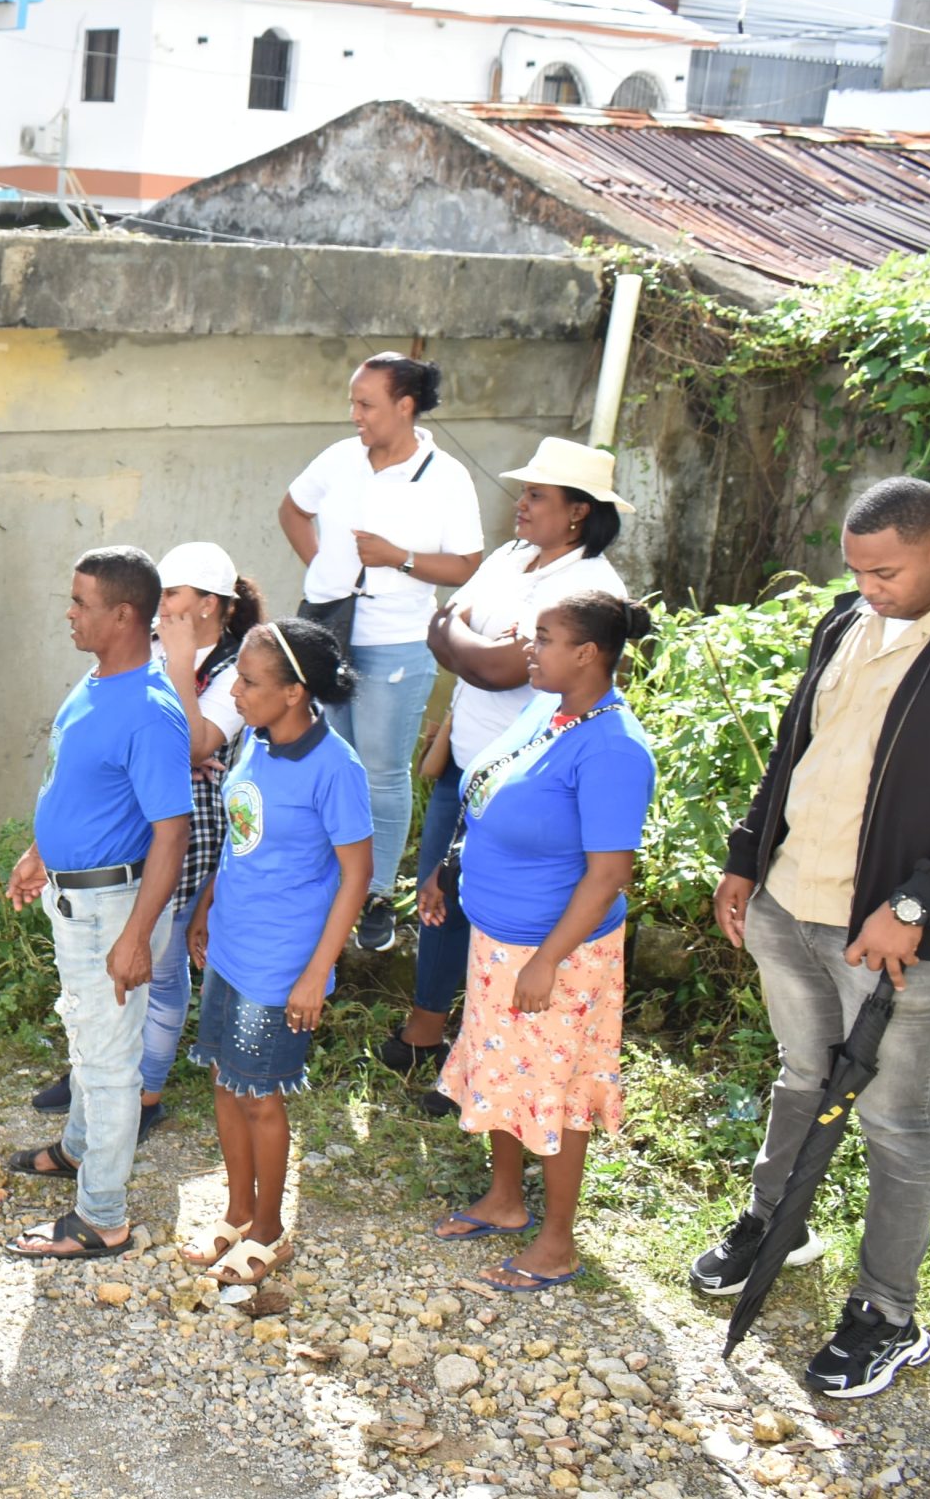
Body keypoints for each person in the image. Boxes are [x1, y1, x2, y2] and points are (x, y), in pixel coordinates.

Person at [697, 478, 930, 1399]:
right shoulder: (845, 620)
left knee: (898, 1121)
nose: (867, 587)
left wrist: (915, 905)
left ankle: (886, 1315)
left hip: (903, 935)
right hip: (792, 904)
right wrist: (749, 853)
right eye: (857, 570)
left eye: (886, 572)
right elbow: (798, 745)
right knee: (799, 1076)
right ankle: (780, 1223)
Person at [422, 592, 658, 1294]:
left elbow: (611, 873)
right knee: (501, 1070)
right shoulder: (545, 709)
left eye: (546, 638)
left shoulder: (614, 747)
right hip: (499, 942)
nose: (530, 647)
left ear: (588, 653)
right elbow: (486, 790)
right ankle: (505, 1198)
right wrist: (446, 869)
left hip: (560, 955)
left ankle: (557, 1242)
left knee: (555, 1091)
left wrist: (548, 957)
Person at [388, 438, 631, 1101]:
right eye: (524, 492)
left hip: (530, 782)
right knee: (440, 895)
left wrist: (466, 643)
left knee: (497, 912)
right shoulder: (510, 557)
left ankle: (479, 1053)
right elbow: (445, 626)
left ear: (579, 512)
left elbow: (495, 669)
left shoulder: (588, 587)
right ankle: (426, 1033)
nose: (520, 504)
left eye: (537, 496)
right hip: (469, 763)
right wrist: (466, 642)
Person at [31, 543, 264, 1133]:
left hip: (185, 823)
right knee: (117, 962)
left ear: (210, 605)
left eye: (175, 595)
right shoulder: (150, 650)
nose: (161, 605)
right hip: (127, 814)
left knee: (158, 958)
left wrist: (183, 665)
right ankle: (101, 1071)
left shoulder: (234, 664)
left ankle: (144, 1089)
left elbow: (194, 746)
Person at [0, 547, 191, 1261]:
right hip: (76, 895)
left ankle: (102, 1218)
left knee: (111, 1064)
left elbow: (174, 833)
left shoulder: (149, 710)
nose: (69, 614)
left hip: (116, 907)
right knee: (87, 1036)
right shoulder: (97, 680)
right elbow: (77, 784)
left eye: (81, 603)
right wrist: (41, 852)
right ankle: (80, 1151)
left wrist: (139, 936)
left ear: (124, 615)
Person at [176, 619, 373, 1289]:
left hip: (282, 963)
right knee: (226, 1083)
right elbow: (240, 840)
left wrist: (317, 970)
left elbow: (356, 876)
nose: (235, 690)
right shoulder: (254, 744)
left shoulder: (336, 767)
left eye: (251, 682)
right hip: (231, 946)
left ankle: (269, 1232)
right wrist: (205, 905)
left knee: (262, 1096)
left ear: (295, 693)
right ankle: (236, 1214)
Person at [278, 353, 485, 952]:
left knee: (381, 771)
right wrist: (323, 569)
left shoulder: (445, 477)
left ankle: (374, 896)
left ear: (406, 406)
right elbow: (293, 508)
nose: (355, 415)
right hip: (327, 629)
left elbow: (468, 563)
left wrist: (400, 558)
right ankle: (332, 880)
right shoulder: (342, 458)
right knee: (330, 760)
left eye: (366, 404)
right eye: (353, 402)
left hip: (396, 639)